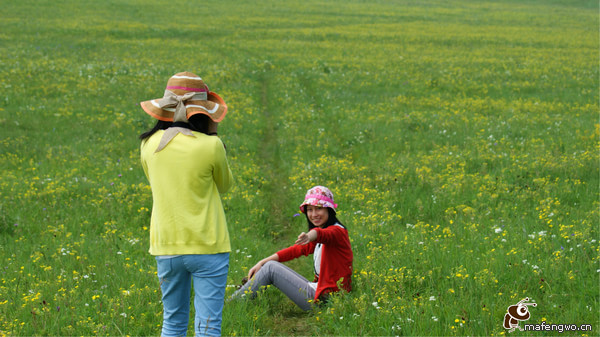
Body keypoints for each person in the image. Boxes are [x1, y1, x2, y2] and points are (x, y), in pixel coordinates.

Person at [139, 72, 234, 336]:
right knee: (208, 326)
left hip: (166, 245)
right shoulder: (211, 145)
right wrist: (214, 136)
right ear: (204, 112)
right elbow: (225, 185)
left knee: (172, 323)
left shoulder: (147, 145)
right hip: (208, 244)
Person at [230, 186, 353, 311]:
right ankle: (241, 295)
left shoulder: (337, 232)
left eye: (319, 209)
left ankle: (231, 304)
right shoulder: (324, 229)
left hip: (326, 301)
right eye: (310, 210)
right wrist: (261, 262)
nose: (314, 214)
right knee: (269, 265)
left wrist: (310, 236)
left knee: (271, 269)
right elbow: (295, 250)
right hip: (320, 291)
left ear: (329, 210)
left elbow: (322, 235)